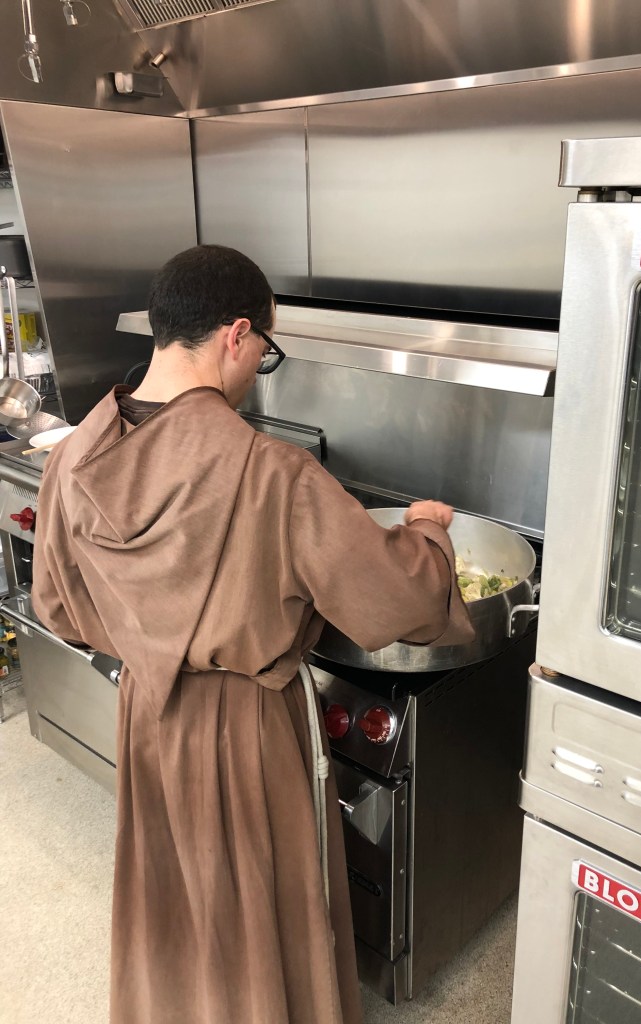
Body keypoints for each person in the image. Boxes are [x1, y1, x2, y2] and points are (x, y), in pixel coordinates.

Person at [31, 244, 475, 1024]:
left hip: (147, 714)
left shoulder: (70, 459)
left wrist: (146, 632)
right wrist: (427, 532)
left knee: (176, 892)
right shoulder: (273, 473)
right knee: (266, 900)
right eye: (265, 351)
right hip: (248, 726)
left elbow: (58, 609)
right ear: (237, 334)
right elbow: (398, 601)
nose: (256, 369)